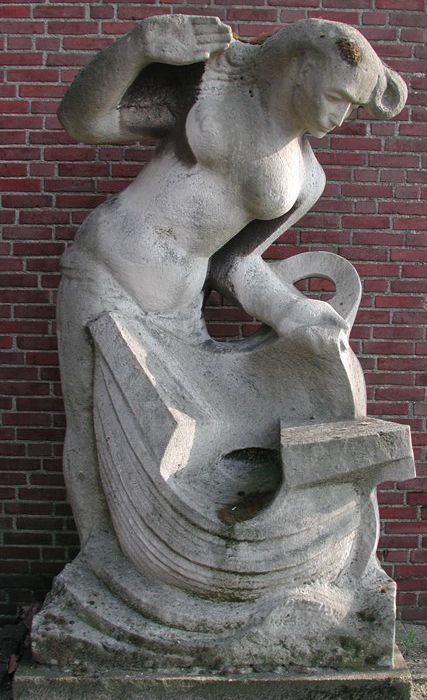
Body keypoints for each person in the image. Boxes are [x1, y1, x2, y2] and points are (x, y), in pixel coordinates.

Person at [56, 16, 407, 543]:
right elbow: (83, 121)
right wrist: (138, 47)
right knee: (89, 427)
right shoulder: (211, 89)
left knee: (178, 443)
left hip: (178, 315)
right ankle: (97, 554)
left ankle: (175, 558)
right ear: (302, 67)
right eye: (336, 97)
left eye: (352, 107)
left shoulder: (305, 179)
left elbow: (233, 262)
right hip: (105, 275)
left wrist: (291, 310)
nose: (339, 117)